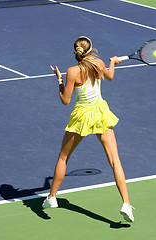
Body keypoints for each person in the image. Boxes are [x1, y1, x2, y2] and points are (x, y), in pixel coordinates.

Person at [42, 36, 134, 223]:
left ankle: (52, 198)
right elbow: (110, 76)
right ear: (90, 51)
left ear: (76, 52)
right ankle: (126, 203)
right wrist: (112, 62)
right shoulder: (99, 63)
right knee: (115, 161)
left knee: (63, 157)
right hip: (100, 113)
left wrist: (59, 81)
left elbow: (65, 100)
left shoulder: (72, 71)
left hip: (82, 117)